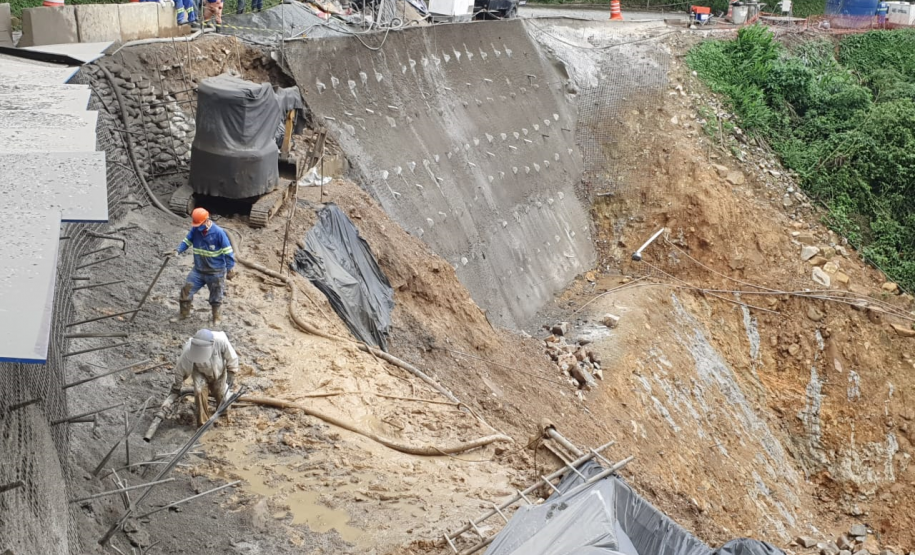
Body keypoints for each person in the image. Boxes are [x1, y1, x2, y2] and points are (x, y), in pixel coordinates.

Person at [168, 207, 236, 324]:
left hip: (216, 272)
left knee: (216, 296)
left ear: (207, 220)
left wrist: (230, 268)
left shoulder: (219, 233)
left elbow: (228, 251)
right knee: (186, 290)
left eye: (199, 224)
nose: (198, 227)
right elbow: (187, 241)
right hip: (198, 270)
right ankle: (184, 314)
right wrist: (177, 251)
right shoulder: (195, 230)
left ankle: (216, 317)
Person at [171, 329, 239, 427]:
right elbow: (180, 369)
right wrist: (176, 386)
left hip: (219, 371)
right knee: (199, 392)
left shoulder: (221, 341)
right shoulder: (189, 349)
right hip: (200, 372)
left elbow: (232, 357)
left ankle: (223, 413)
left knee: (221, 393)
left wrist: (231, 372)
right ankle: (203, 423)